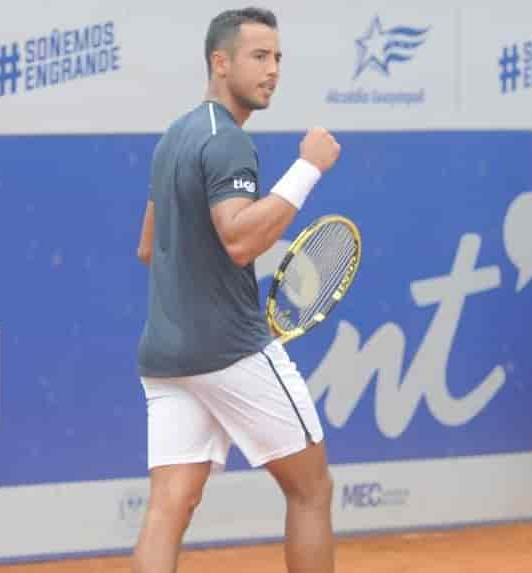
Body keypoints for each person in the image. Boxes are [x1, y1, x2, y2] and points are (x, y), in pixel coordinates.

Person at [131, 7, 341, 573]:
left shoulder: (172, 138)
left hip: (166, 356)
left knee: (168, 506)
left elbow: (150, 246)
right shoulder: (228, 143)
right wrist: (307, 169)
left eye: (277, 58)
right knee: (312, 490)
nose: (273, 70)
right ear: (219, 63)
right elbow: (240, 242)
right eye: (259, 57)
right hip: (230, 351)